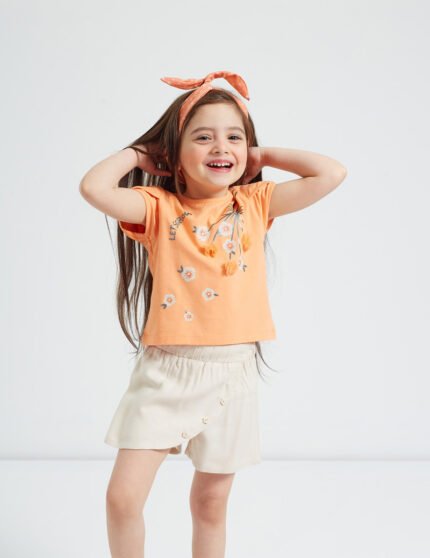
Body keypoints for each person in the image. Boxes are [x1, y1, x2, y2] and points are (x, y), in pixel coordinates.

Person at [79, 70, 347, 558]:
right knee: (122, 498)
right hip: (165, 372)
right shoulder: (157, 207)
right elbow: (94, 188)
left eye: (234, 137)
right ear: (173, 154)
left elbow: (331, 173)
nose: (221, 146)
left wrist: (261, 157)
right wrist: (139, 154)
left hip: (232, 374)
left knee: (210, 503)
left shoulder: (254, 202)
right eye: (203, 137)